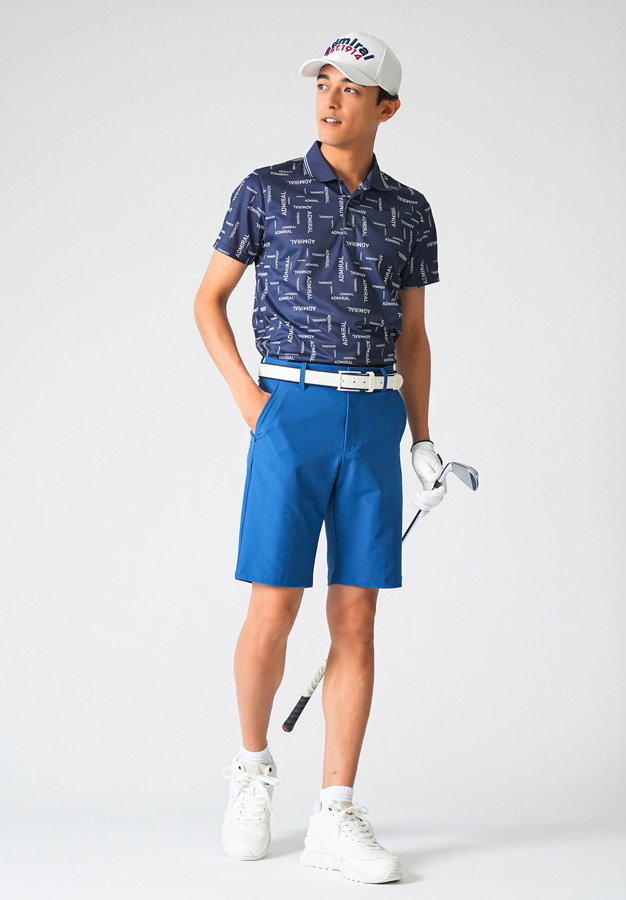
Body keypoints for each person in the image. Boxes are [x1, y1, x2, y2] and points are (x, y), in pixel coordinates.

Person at [193, 29, 447, 884]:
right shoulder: (265, 190)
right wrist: (251, 400)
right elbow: (208, 301)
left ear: (387, 108)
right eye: (323, 84)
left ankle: (335, 811)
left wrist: (422, 439)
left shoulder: (409, 210)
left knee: (357, 618)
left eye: (351, 88)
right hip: (289, 412)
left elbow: (414, 335)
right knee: (274, 605)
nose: (331, 100)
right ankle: (251, 770)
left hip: (374, 417)